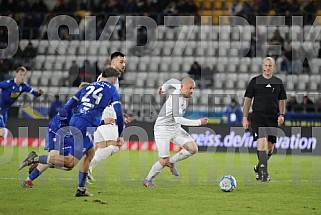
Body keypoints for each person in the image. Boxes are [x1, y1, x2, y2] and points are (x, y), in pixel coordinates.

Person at [18, 67, 125, 197]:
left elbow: (68, 106)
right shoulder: (111, 89)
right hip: (73, 126)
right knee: (68, 163)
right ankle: (34, 159)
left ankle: (81, 189)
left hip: (75, 123)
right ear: (112, 80)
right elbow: (118, 113)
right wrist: (120, 134)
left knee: (90, 153)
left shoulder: (87, 88)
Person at [143, 77, 208, 188]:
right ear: (182, 88)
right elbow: (179, 119)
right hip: (162, 129)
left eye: (193, 88)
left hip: (174, 127)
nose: (192, 91)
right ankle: (147, 180)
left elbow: (171, 80)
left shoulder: (181, 87)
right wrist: (199, 122)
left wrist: (163, 88)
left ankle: (172, 162)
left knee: (193, 149)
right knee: (164, 160)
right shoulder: (176, 99)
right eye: (190, 88)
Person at [87, 51, 130, 182]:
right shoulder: (110, 77)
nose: (124, 65)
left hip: (102, 114)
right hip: (106, 116)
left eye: (124, 62)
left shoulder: (108, 77)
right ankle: (87, 167)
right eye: (121, 62)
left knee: (100, 146)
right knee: (115, 146)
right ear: (112, 62)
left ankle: (86, 170)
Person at [242, 57, 287, 182]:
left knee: (270, 148)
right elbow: (247, 100)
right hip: (258, 117)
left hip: (272, 118)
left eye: (270, 66)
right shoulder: (255, 81)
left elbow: (282, 99)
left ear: (274, 67)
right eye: (266, 65)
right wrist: (245, 118)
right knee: (261, 142)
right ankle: (263, 172)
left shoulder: (278, 82)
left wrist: (282, 114)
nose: (267, 68)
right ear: (263, 66)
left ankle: (259, 166)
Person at [0, 67, 44, 139]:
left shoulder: (24, 86)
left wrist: (39, 93)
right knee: (2, 131)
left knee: (2, 132)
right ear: (16, 74)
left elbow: (35, 93)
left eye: (24, 75)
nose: (22, 77)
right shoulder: (8, 83)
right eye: (20, 74)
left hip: (5, 110)